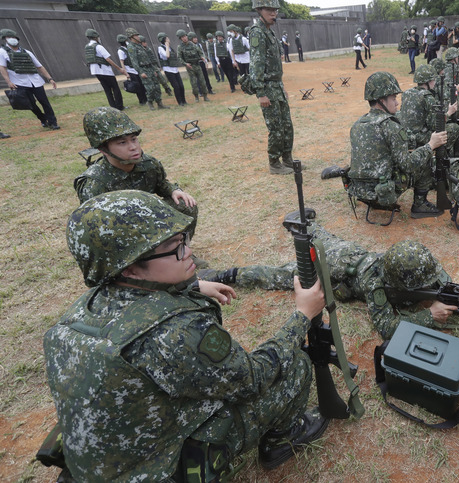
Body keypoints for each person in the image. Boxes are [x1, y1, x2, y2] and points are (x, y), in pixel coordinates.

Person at [45, 189, 328, 481]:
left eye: (184, 239)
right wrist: (302, 316)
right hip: (158, 471)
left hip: (103, 464)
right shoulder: (174, 334)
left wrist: (190, 286)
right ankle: (282, 440)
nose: (189, 251)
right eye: (174, 246)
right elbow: (253, 378)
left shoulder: (78, 313)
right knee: (293, 366)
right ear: (130, 266)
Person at [198, 228, 459, 341]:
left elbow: (445, 287)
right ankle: (223, 275)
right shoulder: (375, 282)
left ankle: (307, 225)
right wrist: (427, 317)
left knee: (328, 237)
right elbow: (386, 328)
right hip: (338, 271)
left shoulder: (419, 266)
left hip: (354, 252)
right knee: (279, 275)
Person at [74, 107, 199, 240]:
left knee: (185, 204)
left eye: (133, 139)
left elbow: (161, 185)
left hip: (145, 217)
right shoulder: (95, 183)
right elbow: (96, 229)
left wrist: (173, 190)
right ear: (103, 150)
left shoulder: (149, 164)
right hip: (121, 232)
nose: (133, 147)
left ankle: (177, 251)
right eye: (122, 142)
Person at [347, 71, 447, 219]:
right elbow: (408, 165)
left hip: (360, 191)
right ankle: (420, 205)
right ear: (382, 100)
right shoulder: (390, 126)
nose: (397, 102)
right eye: (393, 98)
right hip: (383, 191)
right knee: (424, 160)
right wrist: (430, 145)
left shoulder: (357, 124)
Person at [249, 0, 295, 175]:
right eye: (269, 10)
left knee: (287, 126)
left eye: (275, 10)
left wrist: (282, 87)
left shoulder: (269, 32)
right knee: (275, 128)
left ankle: (287, 159)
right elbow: (256, 65)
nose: (273, 13)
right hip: (267, 88)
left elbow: (275, 66)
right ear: (259, 10)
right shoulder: (257, 33)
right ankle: (274, 163)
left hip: (277, 86)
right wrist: (260, 93)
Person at [0, 28, 60, 130]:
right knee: (30, 104)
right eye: (9, 37)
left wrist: (50, 78)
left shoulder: (27, 52)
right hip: (19, 82)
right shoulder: (2, 52)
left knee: (44, 102)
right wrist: (9, 82)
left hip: (35, 81)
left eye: (13, 37)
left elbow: (39, 66)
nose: (12, 39)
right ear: (5, 39)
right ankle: (42, 118)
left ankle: (53, 122)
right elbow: (2, 67)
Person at [399, 64, 457, 150]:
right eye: (433, 80)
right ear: (428, 82)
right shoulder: (427, 97)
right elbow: (434, 125)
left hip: (406, 136)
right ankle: (441, 155)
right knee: (454, 128)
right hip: (419, 138)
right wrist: (449, 113)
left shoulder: (407, 93)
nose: (434, 82)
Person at [84, 29, 126, 111]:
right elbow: (108, 59)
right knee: (115, 88)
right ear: (95, 37)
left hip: (95, 71)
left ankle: (113, 107)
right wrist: (119, 68)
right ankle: (120, 106)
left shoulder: (87, 47)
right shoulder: (98, 46)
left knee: (107, 90)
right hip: (105, 71)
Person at [125, 28, 165, 110]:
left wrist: (154, 69)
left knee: (157, 86)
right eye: (136, 35)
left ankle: (160, 103)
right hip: (143, 69)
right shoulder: (131, 47)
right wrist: (141, 72)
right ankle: (150, 102)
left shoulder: (140, 46)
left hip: (150, 68)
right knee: (150, 88)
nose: (138, 36)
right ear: (131, 37)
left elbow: (148, 58)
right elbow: (134, 61)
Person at [177, 29, 209, 103]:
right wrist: (185, 64)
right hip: (190, 67)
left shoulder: (193, 44)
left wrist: (202, 57)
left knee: (202, 82)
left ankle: (205, 96)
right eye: (182, 37)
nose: (184, 38)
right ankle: (196, 97)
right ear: (180, 38)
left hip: (197, 65)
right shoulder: (180, 47)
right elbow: (179, 58)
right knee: (194, 83)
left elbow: (200, 52)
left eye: (185, 36)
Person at [117, 33, 147, 107]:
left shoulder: (129, 48)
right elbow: (122, 61)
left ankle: (146, 99)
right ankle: (142, 101)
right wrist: (126, 73)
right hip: (130, 70)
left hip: (136, 69)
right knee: (137, 86)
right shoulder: (121, 50)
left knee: (142, 84)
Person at [157, 32, 186, 106]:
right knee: (176, 87)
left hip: (175, 69)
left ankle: (184, 100)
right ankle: (180, 102)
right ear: (164, 40)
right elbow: (167, 56)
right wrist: (166, 46)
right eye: (167, 38)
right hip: (168, 70)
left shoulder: (170, 48)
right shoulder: (161, 48)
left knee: (181, 86)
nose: (169, 39)